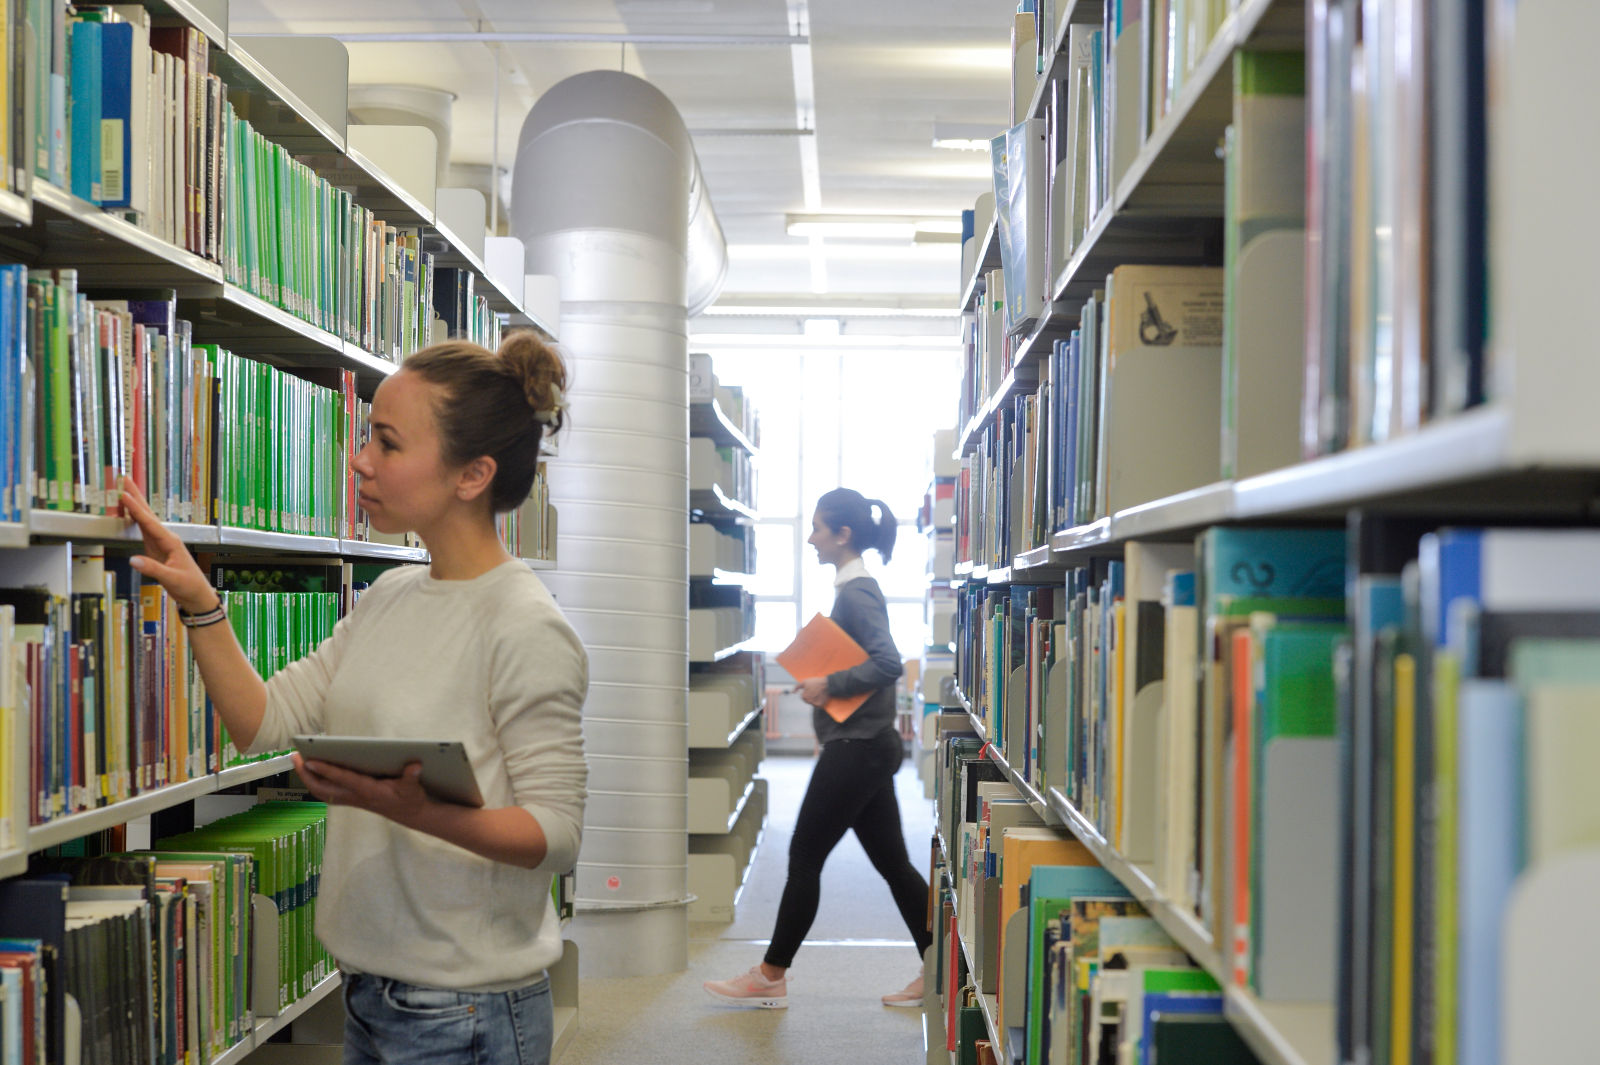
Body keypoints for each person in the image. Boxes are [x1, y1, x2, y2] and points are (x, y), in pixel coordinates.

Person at [120, 333, 588, 1065]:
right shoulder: (389, 597)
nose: (359, 459)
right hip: (368, 991)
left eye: (387, 443)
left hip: (461, 1008)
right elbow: (262, 721)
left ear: (473, 475)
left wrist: (419, 812)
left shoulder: (525, 624)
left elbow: (556, 834)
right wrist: (200, 602)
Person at [704, 488, 931, 1010]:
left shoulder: (858, 591)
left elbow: (888, 662)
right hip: (867, 745)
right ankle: (942, 964)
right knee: (895, 864)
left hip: (859, 747)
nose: (810, 538)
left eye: (818, 529)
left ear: (842, 535)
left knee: (805, 856)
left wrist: (829, 683)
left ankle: (770, 974)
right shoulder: (852, 587)